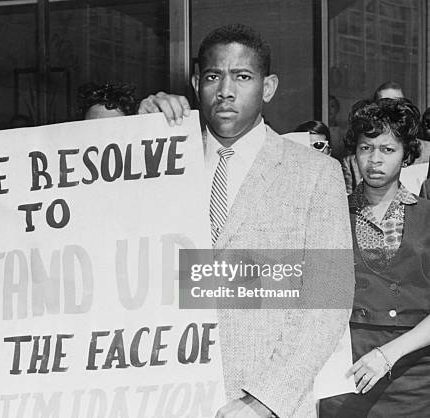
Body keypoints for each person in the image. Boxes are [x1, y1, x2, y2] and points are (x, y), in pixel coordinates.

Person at [139, 23, 354, 418]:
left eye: (242, 76)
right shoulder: (159, 163)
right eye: (212, 76)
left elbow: (330, 300)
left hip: (270, 406)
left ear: (268, 87)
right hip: (170, 397)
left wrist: (263, 400)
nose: (225, 90)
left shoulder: (316, 174)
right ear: (194, 83)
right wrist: (136, 135)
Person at [320, 98, 430, 417]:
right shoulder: (331, 213)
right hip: (344, 377)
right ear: (354, 153)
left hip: (414, 381)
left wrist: (389, 353)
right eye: (367, 148)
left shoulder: (427, 216)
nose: (375, 160)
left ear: (406, 155)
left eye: (387, 149)